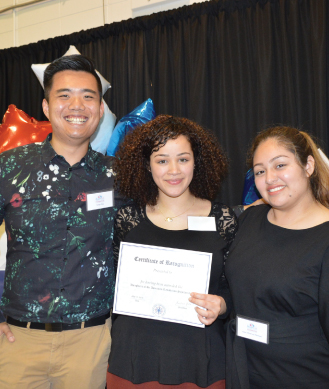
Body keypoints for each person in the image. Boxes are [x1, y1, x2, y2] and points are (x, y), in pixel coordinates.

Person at [0, 55, 120, 389]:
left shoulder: (118, 176)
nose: (77, 105)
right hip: (17, 341)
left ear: (99, 109)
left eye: (88, 96)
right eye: (64, 95)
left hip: (91, 343)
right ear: (47, 106)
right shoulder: (9, 168)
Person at [107, 114, 238, 388]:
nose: (174, 170)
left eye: (183, 158)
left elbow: (236, 288)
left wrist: (223, 306)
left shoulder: (222, 219)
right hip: (133, 358)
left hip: (200, 359)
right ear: (148, 165)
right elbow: (114, 286)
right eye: (162, 160)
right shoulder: (127, 219)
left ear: (196, 162)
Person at [225, 126, 329, 389]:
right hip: (242, 369)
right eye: (260, 171)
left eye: (280, 165)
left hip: (302, 376)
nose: (269, 178)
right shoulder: (250, 219)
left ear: (308, 166)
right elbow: (241, 289)